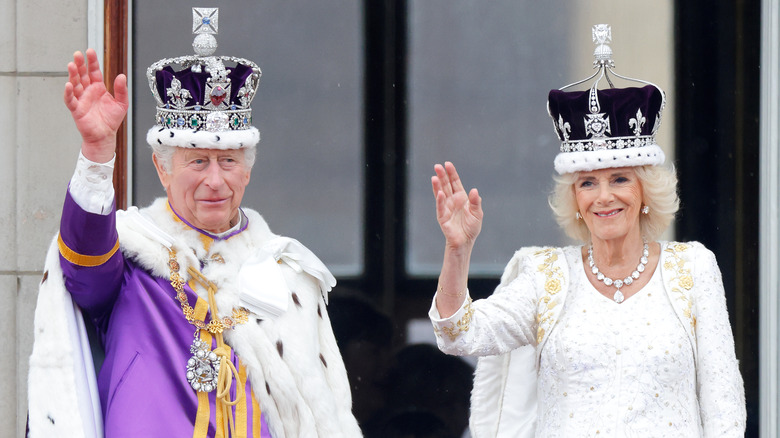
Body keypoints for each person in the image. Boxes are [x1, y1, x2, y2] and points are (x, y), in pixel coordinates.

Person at [27, 7, 362, 438]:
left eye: (228, 161)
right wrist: (96, 154)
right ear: (162, 168)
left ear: (248, 170)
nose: (215, 180)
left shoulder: (288, 275)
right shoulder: (131, 257)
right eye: (198, 162)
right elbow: (83, 264)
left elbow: (322, 418)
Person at [427, 25, 746, 437]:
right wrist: (458, 248)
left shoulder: (694, 268)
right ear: (574, 199)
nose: (603, 197)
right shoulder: (545, 277)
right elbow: (458, 334)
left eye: (620, 179)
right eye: (588, 183)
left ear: (646, 190)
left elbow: (724, 405)